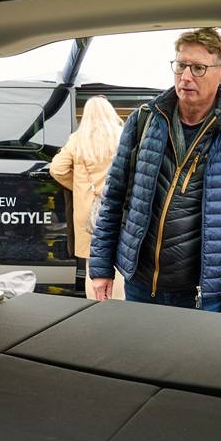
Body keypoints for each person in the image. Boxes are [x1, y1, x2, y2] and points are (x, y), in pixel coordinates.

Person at [89, 28, 221, 313]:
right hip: (140, 284)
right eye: (181, 65)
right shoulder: (145, 120)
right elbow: (114, 197)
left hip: (202, 295)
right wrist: (101, 267)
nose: (185, 77)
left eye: (198, 68)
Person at [51, 96, 126, 299]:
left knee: (93, 264)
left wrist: (79, 187)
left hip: (88, 213)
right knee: (119, 262)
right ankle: (119, 308)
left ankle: (95, 307)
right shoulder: (122, 136)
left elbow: (57, 169)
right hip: (118, 208)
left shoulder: (77, 139)